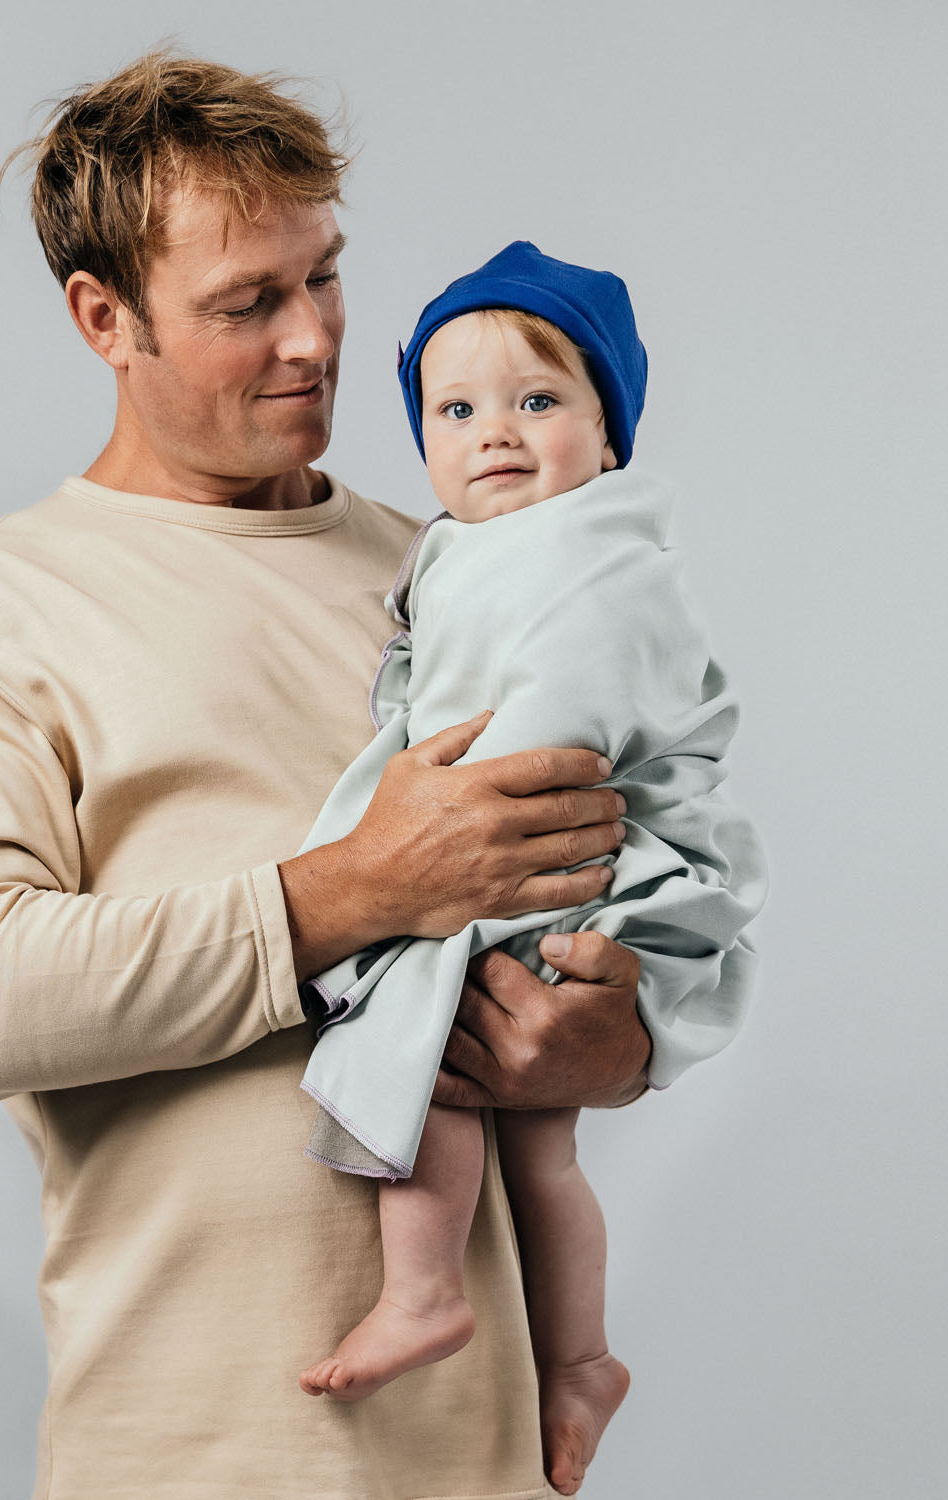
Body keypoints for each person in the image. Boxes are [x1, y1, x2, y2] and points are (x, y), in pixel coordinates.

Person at [0, 52, 656, 1500]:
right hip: (188, 1453)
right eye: (245, 304)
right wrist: (359, 888)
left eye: (324, 277)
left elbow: (623, 872)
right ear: (104, 318)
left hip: (484, 1457)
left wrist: (625, 1043)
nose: (312, 341)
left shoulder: (452, 572)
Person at [294, 243, 767, 1495]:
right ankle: (580, 1362)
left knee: (429, 1046)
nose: (493, 432)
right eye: (454, 411)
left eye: (537, 400)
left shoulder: (594, 552)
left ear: (607, 436)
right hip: (523, 849)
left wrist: (440, 840)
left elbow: (572, 709)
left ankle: (423, 1292)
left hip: (557, 851)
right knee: (538, 1151)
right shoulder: (463, 546)